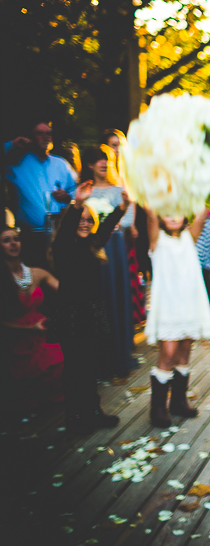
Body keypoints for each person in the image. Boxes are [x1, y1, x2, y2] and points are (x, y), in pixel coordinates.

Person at [51, 181, 126, 432]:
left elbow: (104, 229)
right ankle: (74, 417)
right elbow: (65, 231)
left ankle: (93, 411)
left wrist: (122, 208)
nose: (84, 223)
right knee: (74, 366)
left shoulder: (93, 245)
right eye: (80, 220)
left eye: (88, 220)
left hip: (91, 313)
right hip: (71, 314)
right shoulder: (63, 247)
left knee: (90, 365)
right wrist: (78, 204)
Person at [144, 207, 210, 428]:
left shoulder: (189, 237)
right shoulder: (157, 240)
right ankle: (157, 408)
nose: (173, 216)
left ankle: (178, 402)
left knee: (184, 353)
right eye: (167, 212)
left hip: (190, 303)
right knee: (168, 354)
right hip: (168, 306)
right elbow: (150, 213)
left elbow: (202, 213)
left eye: (177, 212)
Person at [79, 146, 136, 377]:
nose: (104, 163)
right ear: (89, 165)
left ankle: (119, 356)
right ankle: (98, 359)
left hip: (114, 249)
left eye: (107, 159)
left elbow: (128, 220)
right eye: (98, 160)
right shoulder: (84, 191)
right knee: (96, 299)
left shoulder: (120, 190)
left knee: (116, 298)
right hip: (88, 251)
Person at [1, 226, 64, 410]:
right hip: (17, 338)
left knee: (63, 357)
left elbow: (66, 292)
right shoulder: (3, 279)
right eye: (6, 240)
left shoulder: (36, 272)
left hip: (43, 332)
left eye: (16, 239)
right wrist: (30, 329)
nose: (13, 243)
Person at [3, 121, 76, 268]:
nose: (45, 137)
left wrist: (68, 196)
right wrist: (12, 144)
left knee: (61, 276)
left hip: (60, 233)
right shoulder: (17, 164)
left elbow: (76, 189)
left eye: (48, 133)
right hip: (31, 236)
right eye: (39, 133)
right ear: (30, 137)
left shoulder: (61, 164)